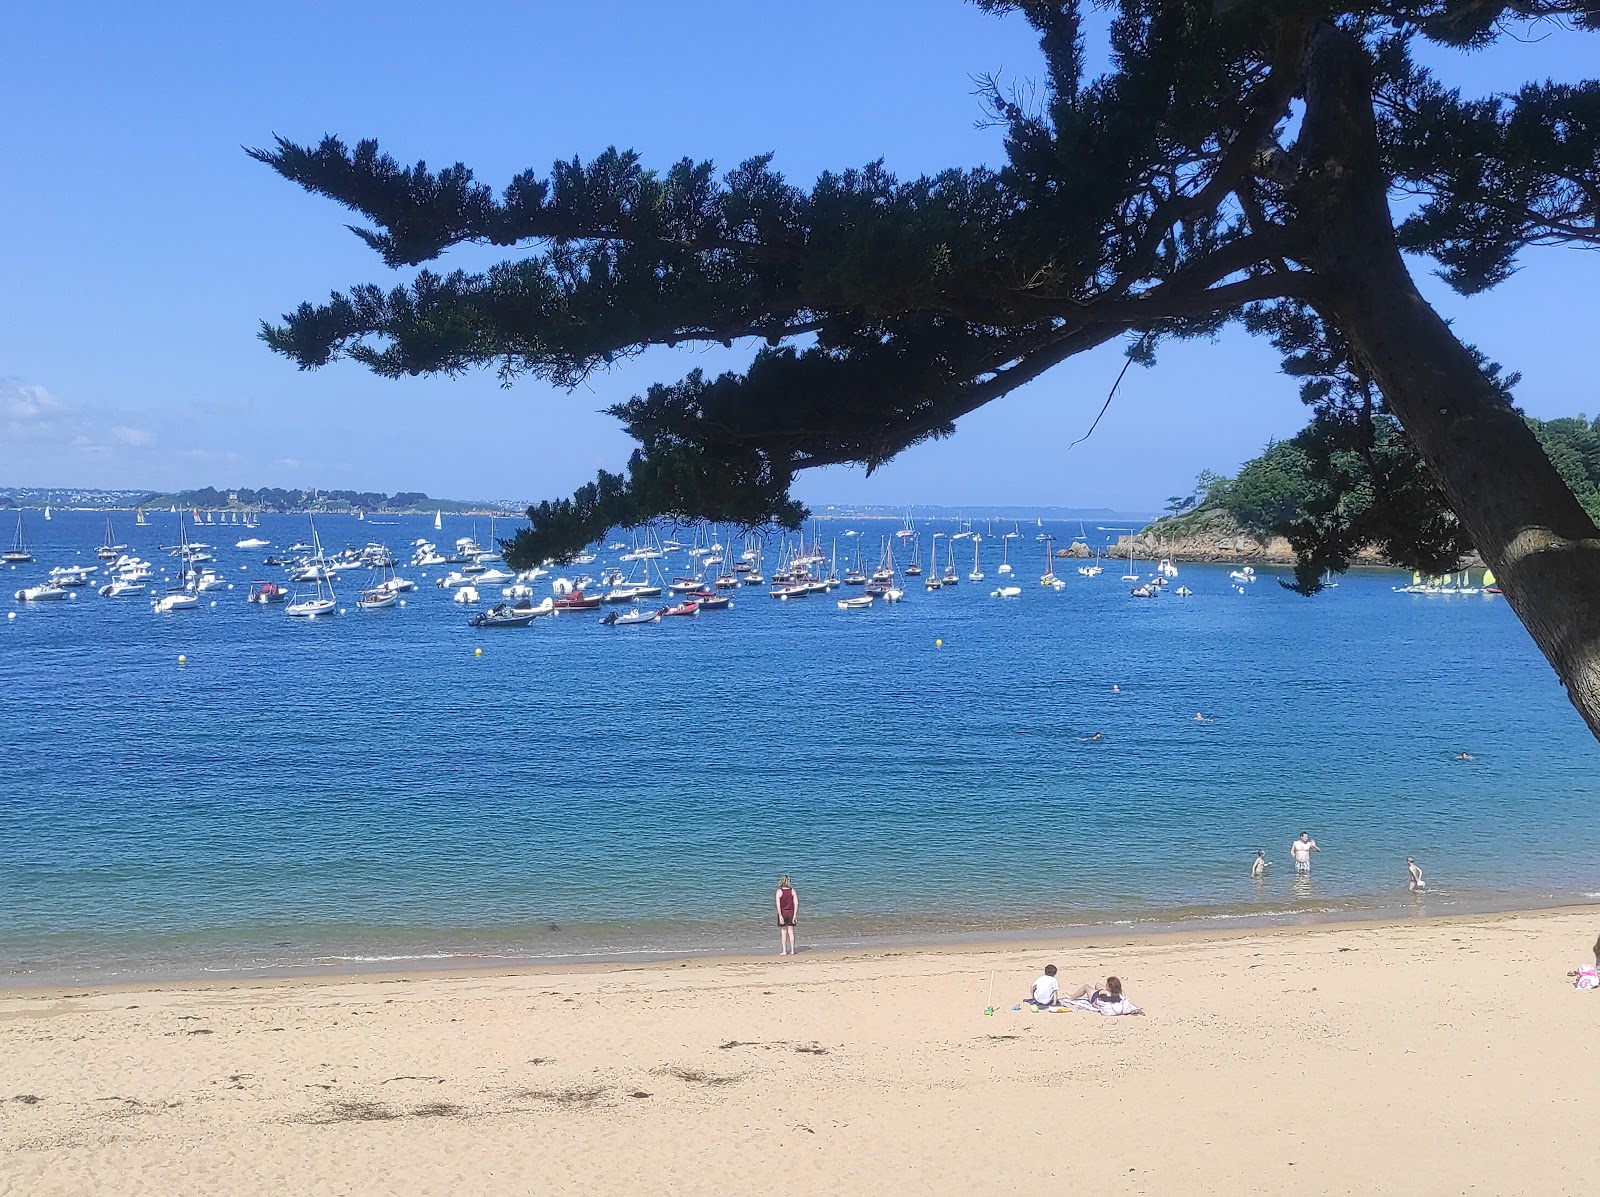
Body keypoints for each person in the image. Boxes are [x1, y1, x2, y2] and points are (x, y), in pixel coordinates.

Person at [775, 876, 798, 956]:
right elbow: (796, 903)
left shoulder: (779, 891)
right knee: (791, 932)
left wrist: (780, 915)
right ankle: (792, 950)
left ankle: (784, 951)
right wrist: (795, 915)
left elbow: (778, 905)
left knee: (784, 932)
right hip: (791, 913)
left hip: (783, 913)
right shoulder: (792, 891)